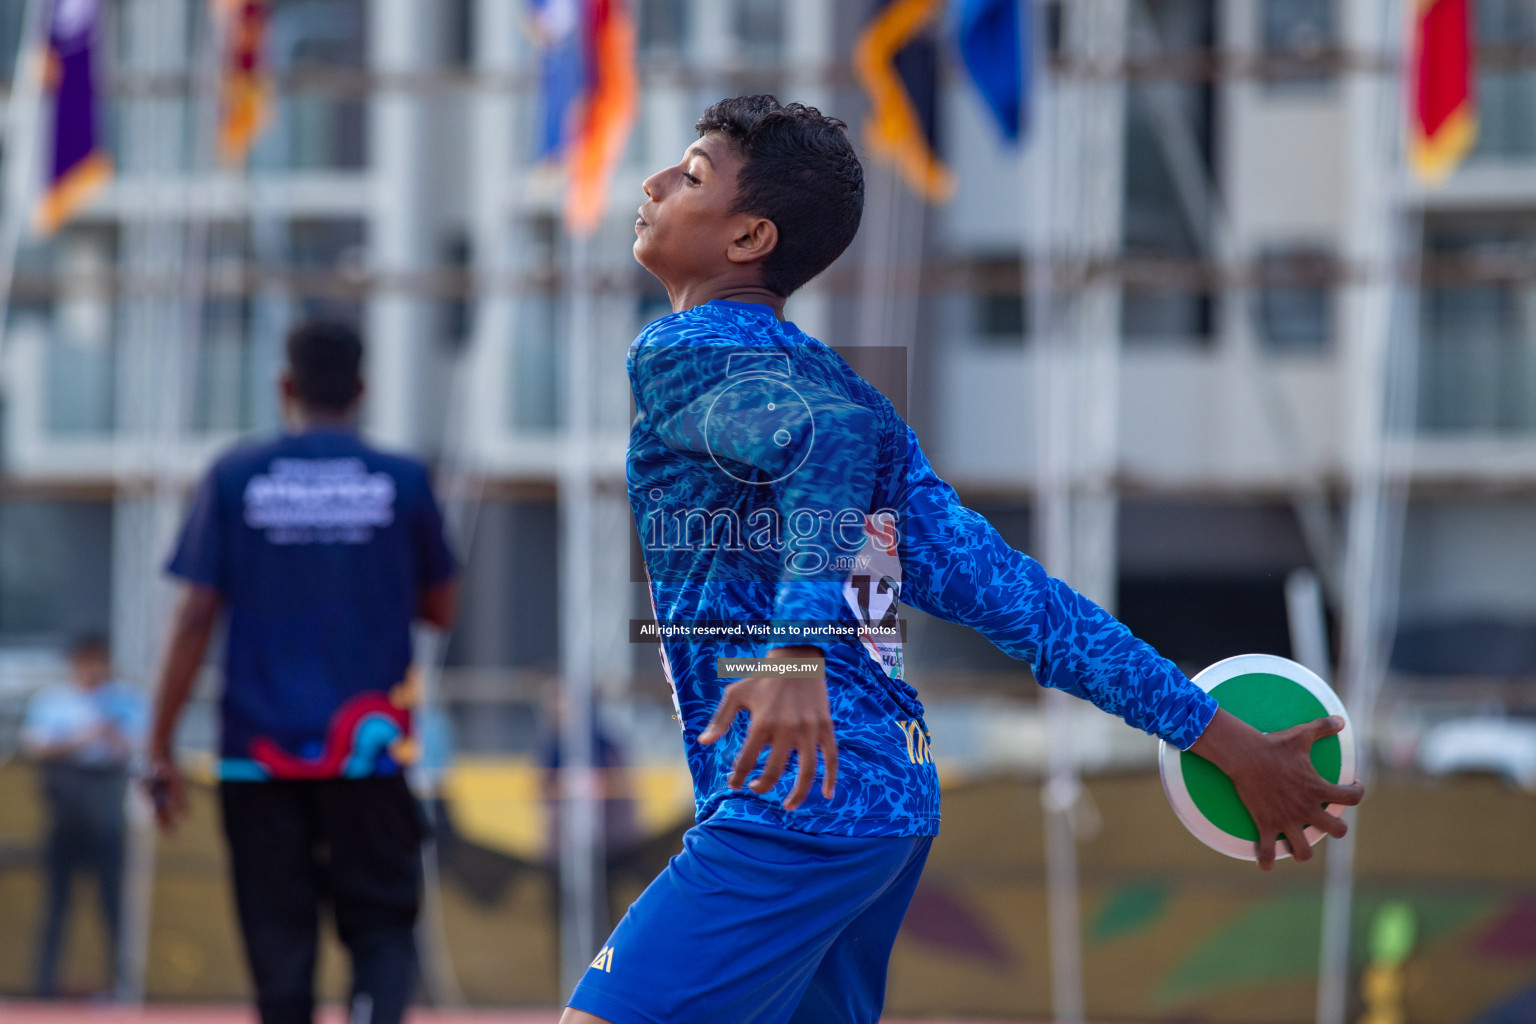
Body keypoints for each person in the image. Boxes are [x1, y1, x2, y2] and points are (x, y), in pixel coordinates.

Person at [560, 95, 1366, 1024]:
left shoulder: (686, 351)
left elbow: (822, 440)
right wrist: (1215, 734)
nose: (654, 184)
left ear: (749, 236)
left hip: (797, 813)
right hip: (888, 805)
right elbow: (1023, 603)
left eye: (690, 175)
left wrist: (794, 651)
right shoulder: (851, 398)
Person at [144, 321, 459, 1024]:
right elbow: (441, 608)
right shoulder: (403, 479)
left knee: (277, 939)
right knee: (381, 925)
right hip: (368, 754)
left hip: (258, 756)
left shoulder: (234, 476)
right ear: (362, 390)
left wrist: (158, 743)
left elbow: (194, 616)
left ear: (284, 386)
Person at [22, 633, 144, 998]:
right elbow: (38, 744)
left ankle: (124, 985)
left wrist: (113, 735)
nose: (96, 669)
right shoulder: (53, 701)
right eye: (88, 661)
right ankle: (44, 985)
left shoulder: (126, 702)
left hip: (108, 812)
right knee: (56, 903)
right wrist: (84, 736)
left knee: (114, 904)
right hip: (65, 812)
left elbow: (142, 745)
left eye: (101, 661)